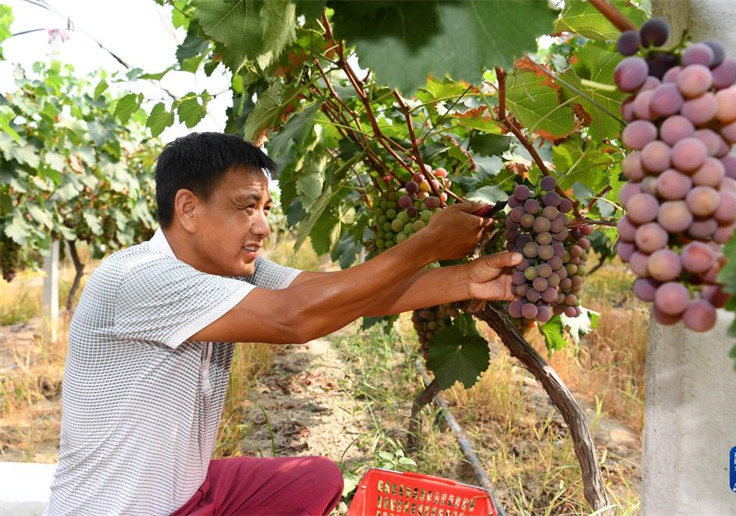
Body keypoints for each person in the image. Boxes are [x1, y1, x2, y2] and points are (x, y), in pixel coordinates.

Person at [45, 132, 521, 515]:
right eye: (246, 207)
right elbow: (296, 318)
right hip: (119, 507)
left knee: (315, 480)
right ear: (188, 209)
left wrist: (467, 280)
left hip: (187, 492)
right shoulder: (138, 278)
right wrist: (425, 244)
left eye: (266, 209)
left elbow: (350, 294)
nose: (263, 226)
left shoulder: (231, 268)